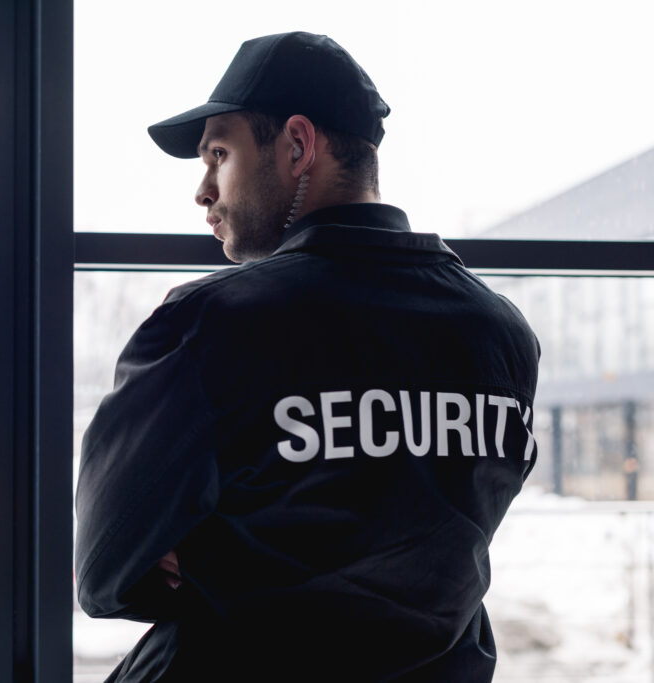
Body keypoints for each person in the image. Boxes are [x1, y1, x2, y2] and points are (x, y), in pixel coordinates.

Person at [75, 31, 540, 682]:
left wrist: (214, 557)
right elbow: (437, 547)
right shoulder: (501, 335)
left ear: (297, 145)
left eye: (218, 155)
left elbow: (103, 574)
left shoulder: (209, 327)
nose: (203, 191)